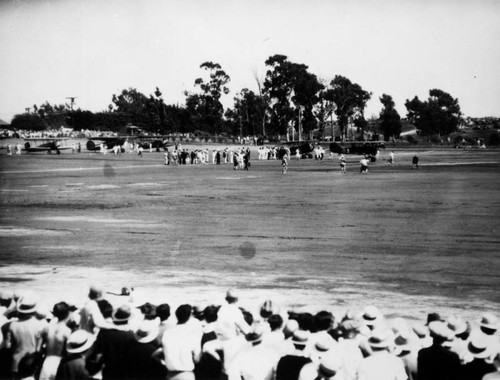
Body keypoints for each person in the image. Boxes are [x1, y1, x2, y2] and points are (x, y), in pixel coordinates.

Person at [38, 302, 72, 380]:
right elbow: (69, 352)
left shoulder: (47, 329)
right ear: (67, 315)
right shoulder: (67, 331)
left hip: (47, 362)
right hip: (60, 363)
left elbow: (38, 349)